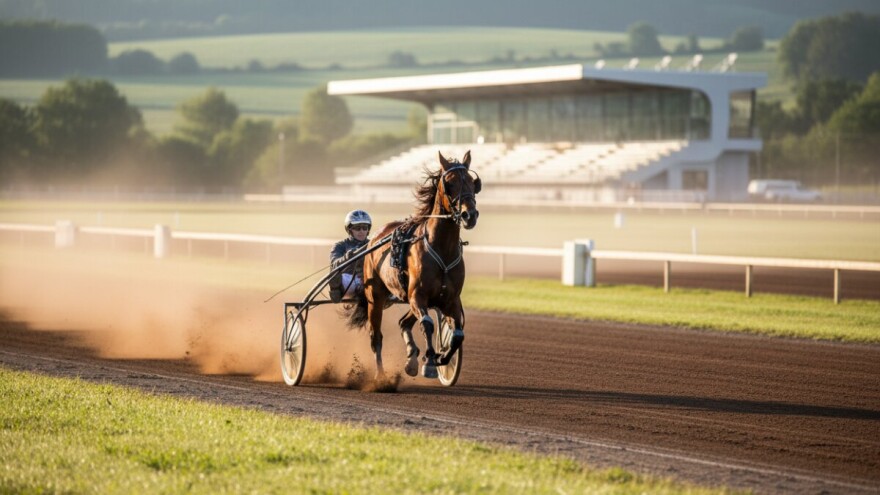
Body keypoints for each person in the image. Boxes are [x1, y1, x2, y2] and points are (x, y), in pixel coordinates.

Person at [328, 209, 371, 302]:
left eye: (364, 228)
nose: (361, 231)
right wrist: (346, 257)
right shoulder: (340, 246)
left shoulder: (373, 245)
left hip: (368, 281)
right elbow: (334, 264)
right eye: (357, 228)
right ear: (349, 230)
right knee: (333, 275)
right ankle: (336, 292)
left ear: (368, 230)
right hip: (348, 282)